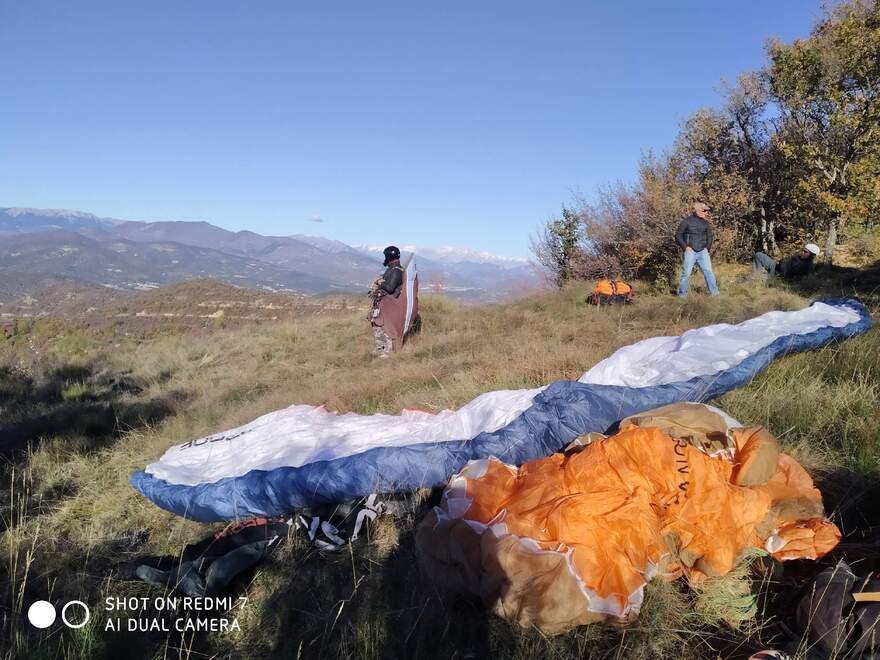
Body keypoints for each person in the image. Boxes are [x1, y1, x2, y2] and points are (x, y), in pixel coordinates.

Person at [675, 201, 720, 297]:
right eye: (704, 211)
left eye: (707, 211)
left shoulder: (706, 223)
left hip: (703, 252)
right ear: (698, 210)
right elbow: (678, 235)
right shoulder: (686, 221)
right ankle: (682, 296)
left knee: (709, 272)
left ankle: (714, 294)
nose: (706, 213)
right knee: (686, 274)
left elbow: (710, 236)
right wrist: (685, 247)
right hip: (690, 251)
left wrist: (707, 249)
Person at [369, 245, 404, 358]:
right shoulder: (392, 269)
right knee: (377, 326)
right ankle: (380, 348)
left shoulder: (396, 271)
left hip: (389, 305)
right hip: (384, 303)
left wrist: (380, 282)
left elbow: (390, 288)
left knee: (385, 328)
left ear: (389, 256)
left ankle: (386, 352)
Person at [752, 243, 820, 280]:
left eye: (805, 252)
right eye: (803, 250)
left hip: (776, 274)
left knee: (757, 278)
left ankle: (757, 277)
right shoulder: (800, 258)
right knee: (758, 255)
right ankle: (758, 273)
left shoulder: (806, 266)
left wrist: (781, 263)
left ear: (811, 255)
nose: (802, 252)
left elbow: (788, 276)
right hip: (775, 265)